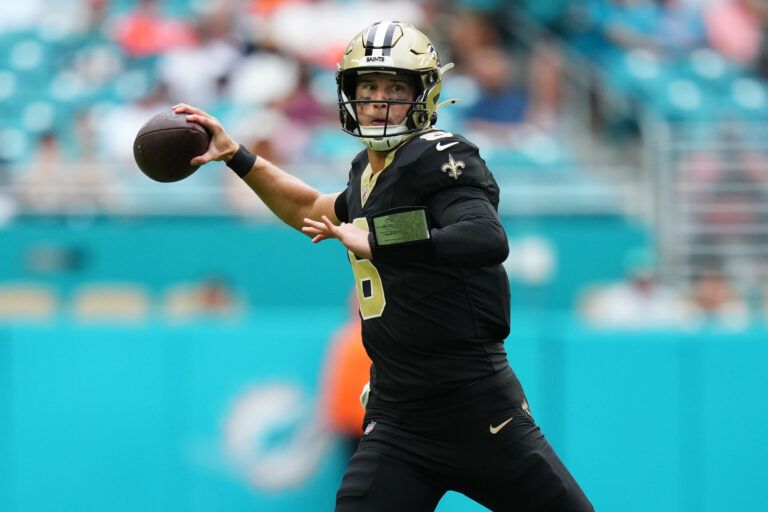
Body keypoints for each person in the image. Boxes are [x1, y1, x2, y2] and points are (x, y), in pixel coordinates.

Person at [173, 21, 593, 511]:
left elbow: (484, 236)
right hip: (399, 416)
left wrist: (385, 239)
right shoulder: (366, 170)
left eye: (395, 87)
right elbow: (309, 207)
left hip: (477, 407)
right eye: (368, 87)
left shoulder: (441, 156)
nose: (378, 100)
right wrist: (239, 157)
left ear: (424, 94)